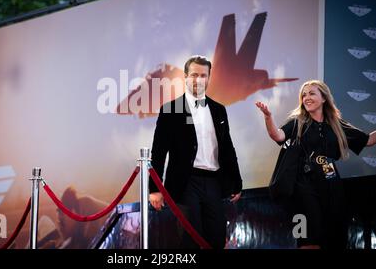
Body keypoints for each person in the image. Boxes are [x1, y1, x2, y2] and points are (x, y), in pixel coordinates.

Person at [256, 80, 376, 249]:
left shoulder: (336, 124)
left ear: (324, 98)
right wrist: (268, 117)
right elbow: (278, 135)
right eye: (304, 95)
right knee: (307, 239)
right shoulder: (298, 122)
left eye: (312, 93)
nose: (307, 97)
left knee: (332, 237)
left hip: (332, 186)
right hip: (303, 186)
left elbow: (368, 140)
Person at [149, 55, 242, 249]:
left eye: (203, 75)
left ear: (208, 78)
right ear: (185, 77)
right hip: (185, 183)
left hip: (214, 182)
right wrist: (155, 189)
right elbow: (158, 152)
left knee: (217, 238)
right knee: (189, 239)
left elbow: (227, 148)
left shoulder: (219, 110)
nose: (198, 80)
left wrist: (236, 181)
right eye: (193, 75)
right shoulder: (170, 110)